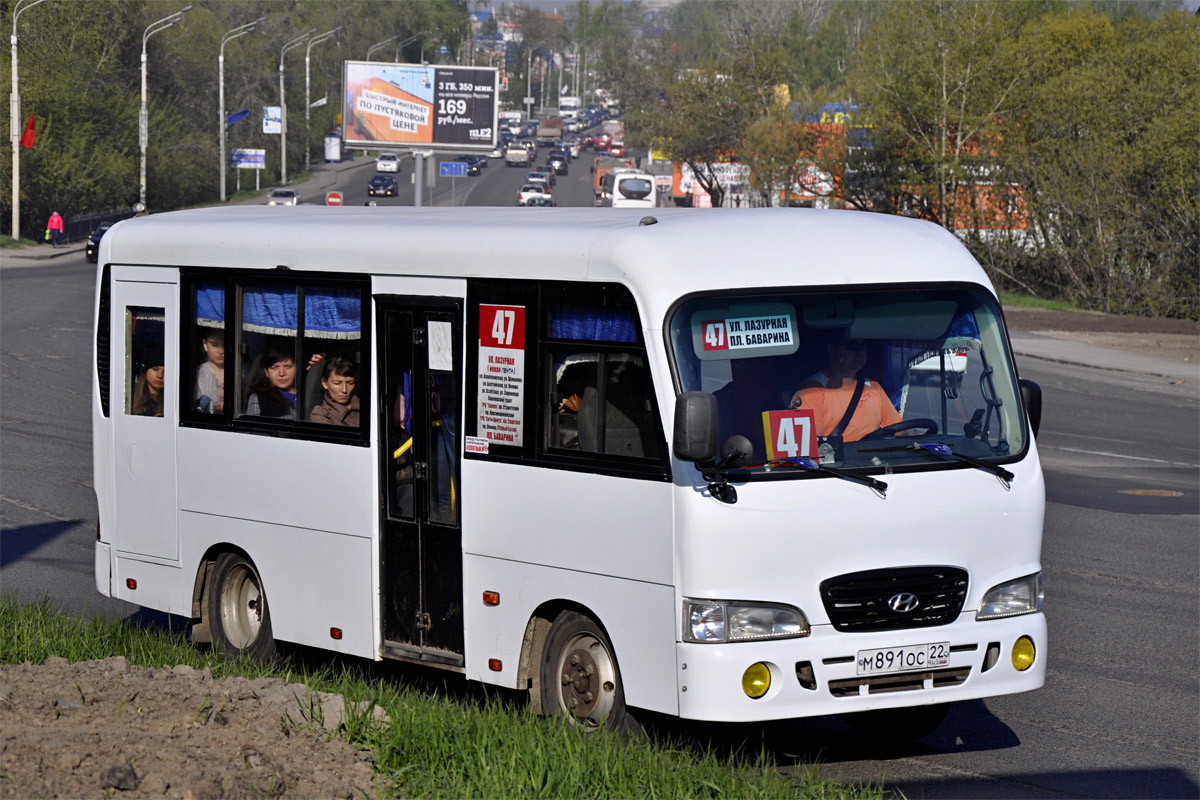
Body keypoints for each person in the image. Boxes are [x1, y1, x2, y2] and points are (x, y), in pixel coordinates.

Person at [788, 333, 902, 443]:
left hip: (875, 459)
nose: (861, 352)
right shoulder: (811, 391)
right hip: (836, 461)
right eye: (853, 346)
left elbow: (898, 431)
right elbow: (809, 445)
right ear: (832, 350)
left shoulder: (874, 387)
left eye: (864, 347)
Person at [245, 348, 297, 419]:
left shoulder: (308, 394)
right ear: (266, 372)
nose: (281, 373)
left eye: (287, 366)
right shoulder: (259, 399)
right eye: (275, 367)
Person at [309, 356, 360, 426]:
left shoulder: (369, 406)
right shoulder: (320, 414)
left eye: (350, 383)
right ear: (325, 383)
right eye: (337, 383)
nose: (344, 390)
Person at [193, 329, 225, 413]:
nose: (221, 351)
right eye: (215, 345)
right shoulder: (198, 374)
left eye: (225, 345)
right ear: (205, 344)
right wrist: (216, 396)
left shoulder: (239, 373)